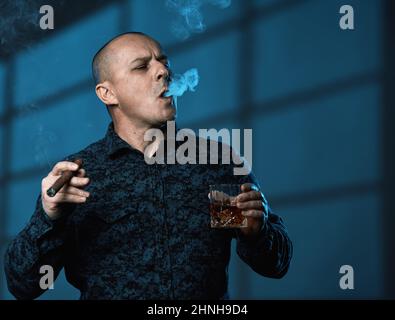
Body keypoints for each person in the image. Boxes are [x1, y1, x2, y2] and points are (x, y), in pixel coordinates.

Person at [4, 32, 292, 300]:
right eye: (141, 67)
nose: (163, 71)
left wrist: (257, 233)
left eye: (164, 62)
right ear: (108, 94)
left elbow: (274, 266)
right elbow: (24, 285)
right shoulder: (79, 176)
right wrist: (48, 217)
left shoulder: (212, 163)